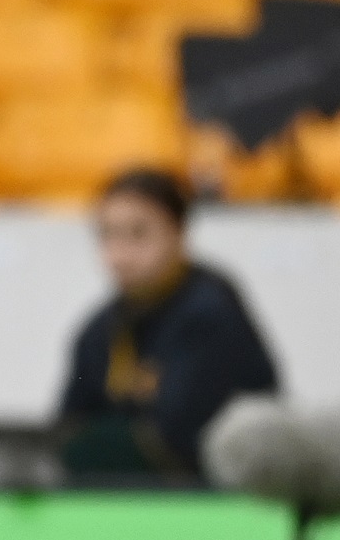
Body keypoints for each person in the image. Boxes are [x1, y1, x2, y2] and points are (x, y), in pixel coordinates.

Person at [58, 169, 278, 478]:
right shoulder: (99, 329)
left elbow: (178, 442)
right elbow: (66, 430)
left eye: (139, 233)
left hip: (221, 504)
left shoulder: (211, 314)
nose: (120, 254)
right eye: (107, 234)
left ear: (178, 232)